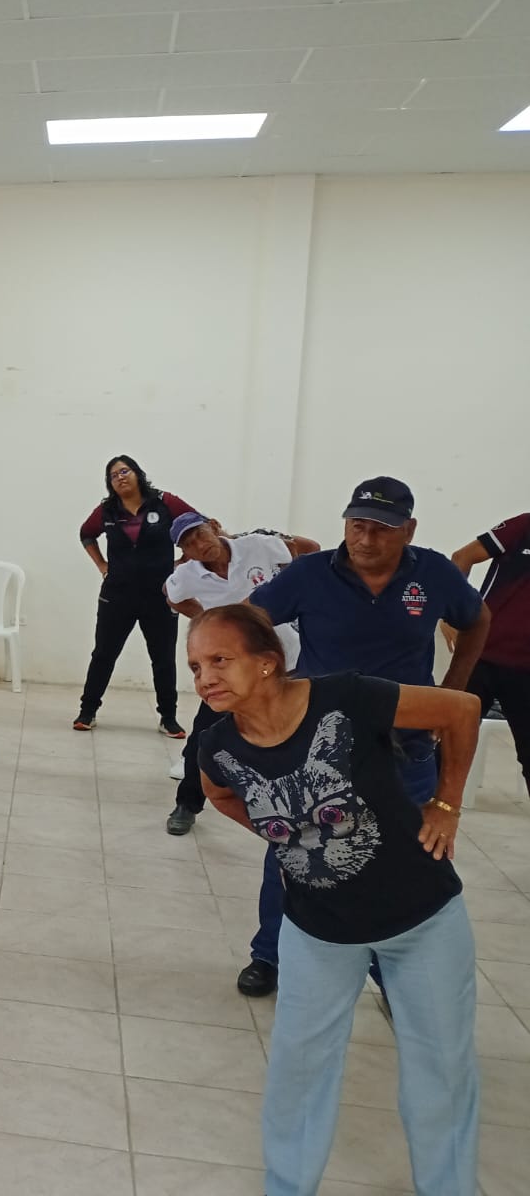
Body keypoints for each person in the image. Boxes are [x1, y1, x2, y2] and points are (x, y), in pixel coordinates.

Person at [192, 603, 480, 1196]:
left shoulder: (344, 698)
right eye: (195, 666)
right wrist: (290, 839)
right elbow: (220, 796)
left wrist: (446, 803)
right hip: (319, 931)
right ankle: (288, 1186)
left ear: (267, 662)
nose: (205, 677)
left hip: (421, 920)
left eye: (220, 660)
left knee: (441, 1067)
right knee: (300, 1068)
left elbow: (461, 709)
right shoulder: (218, 747)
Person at [241, 476, 490, 999]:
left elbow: (477, 619)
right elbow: (248, 623)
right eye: (357, 525)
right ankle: (270, 954)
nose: (366, 539)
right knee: (295, 851)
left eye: (382, 529)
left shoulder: (434, 575)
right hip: (316, 750)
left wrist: (451, 690)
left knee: (405, 860)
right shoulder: (310, 574)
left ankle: (389, 971)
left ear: (409, 531)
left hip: (407, 748)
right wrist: (271, 686)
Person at [161, 513, 319, 835]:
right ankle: (187, 803)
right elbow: (171, 595)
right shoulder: (188, 575)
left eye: (200, 534)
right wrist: (205, 619)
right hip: (228, 671)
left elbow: (310, 548)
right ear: (184, 552)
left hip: (285, 661)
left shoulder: (257, 546)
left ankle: (304, 809)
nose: (199, 545)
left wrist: (294, 589)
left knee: (300, 736)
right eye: (189, 544)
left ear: (214, 527)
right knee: (204, 737)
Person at [75, 455, 195, 737]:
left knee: (163, 657)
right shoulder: (107, 510)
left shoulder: (165, 502)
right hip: (117, 594)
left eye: (124, 471)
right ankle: (87, 712)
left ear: (137, 473)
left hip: (160, 595)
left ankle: (168, 718)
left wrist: (184, 561)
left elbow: (196, 526)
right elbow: (86, 534)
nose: (120, 477)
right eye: (113, 475)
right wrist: (102, 565)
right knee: (104, 654)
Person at [446, 509, 530, 790]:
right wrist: (452, 614)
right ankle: (424, 813)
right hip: (480, 657)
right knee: (443, 744)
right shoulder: (525, 525)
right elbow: (462, 557)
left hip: (525, 670)